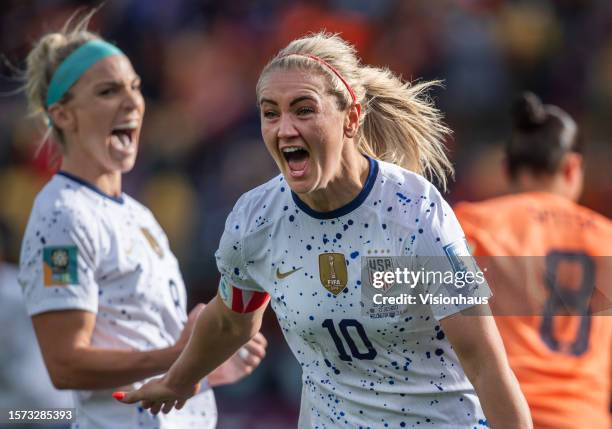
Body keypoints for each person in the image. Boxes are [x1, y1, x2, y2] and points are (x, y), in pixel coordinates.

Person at [117, 32, 532, 428]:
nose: (284, 129)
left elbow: (484, 361)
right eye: (270, 113)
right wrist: (180, 379)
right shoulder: (257, 220)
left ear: (351, 118)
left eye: (303, 109)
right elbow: (231, 320)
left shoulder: (414, 211)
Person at [17, 12, 267, 429]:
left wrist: (208, 362)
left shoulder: (137, 214)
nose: (132, 101)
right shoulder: (62, 213)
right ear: (63, 115)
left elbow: (144, 345)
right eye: (108, 91)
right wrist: (183, 355)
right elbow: (65, 365)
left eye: (134, 87)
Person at [454, 92, 612, 429]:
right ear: (571, 167)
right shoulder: (607, 237)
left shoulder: (471, 225)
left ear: (505, 168)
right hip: (586, 418)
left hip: (502, 416)